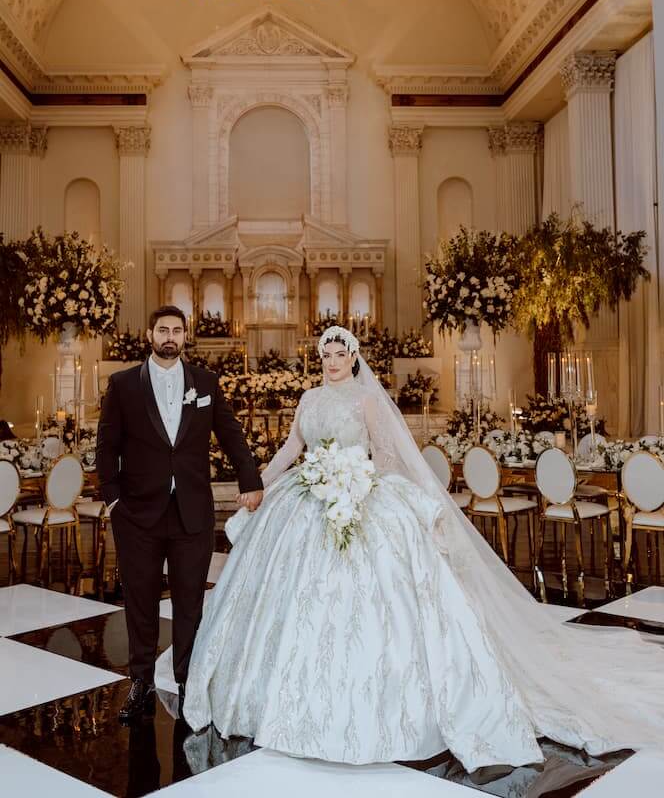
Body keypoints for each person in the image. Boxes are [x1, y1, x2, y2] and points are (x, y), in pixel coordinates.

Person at [156, 325, 664, 772]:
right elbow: (292, 448)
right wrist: (258, 484)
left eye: (340, 354)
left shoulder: (367, 400)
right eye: (325, 355)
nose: (331, 361)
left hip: (359, 493)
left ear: (353, 358)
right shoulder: (309, 400)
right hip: (306, 497)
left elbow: (385, 454)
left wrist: (362, 486)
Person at [97, 305, 263, 724]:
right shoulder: (123, 385)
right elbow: (106, 446)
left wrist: (249, 478)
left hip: (192, 512)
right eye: (162, 330)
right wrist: (114, 500)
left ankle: (188, 682)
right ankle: (140, 681)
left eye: (176, 330)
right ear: (150, 334)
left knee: (190, 601)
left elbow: (230, 432)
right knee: (140, 600)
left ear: (186, 336)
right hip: (137, 514)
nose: (170, 336)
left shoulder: (205, 382)